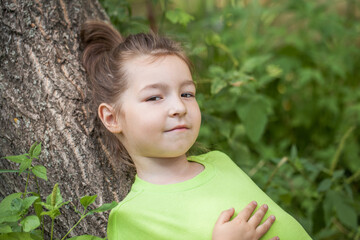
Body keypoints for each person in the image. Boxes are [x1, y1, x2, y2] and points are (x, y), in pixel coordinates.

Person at [80, 20, 312, 240]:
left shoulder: (220, 161)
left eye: (187, 93)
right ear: (111, 118)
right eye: (154, 97)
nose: (179, 107)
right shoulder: (133, 216)